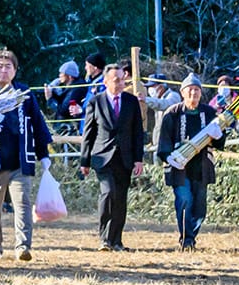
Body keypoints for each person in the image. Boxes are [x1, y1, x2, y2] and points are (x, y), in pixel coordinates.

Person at [0, 49, 54, 261]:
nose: (3, 70)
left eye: (8, 66)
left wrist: (43, 153)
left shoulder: (24, 93)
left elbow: (37, 123)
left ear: (15, 70)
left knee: (23, 203)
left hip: (20, 159)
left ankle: (23, 246)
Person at [79, 63, 147, 251]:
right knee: (108, 192)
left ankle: (116, 240)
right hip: (102, 157)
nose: (120, 83)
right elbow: (89, 133)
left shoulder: (131, 101)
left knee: (121, 199)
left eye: (122, 80)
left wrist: (138, 159)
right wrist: (84, 161)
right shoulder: (96, 101)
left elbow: (137, 132)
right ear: (106, 81)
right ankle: (104, 238)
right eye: (116, 80)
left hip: (125, 158)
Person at [157, 74, 219, 250]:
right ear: (182, 93)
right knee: (184, 200)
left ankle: (192, 234)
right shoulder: (173, 113)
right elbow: (164, 141)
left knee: (200, 206)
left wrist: (218, 134)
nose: (193, 93)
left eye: (197, 90)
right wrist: (169, 157)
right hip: (180, 166)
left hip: (201, 166)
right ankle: (187, 239)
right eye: (190, 90)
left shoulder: (209, 113)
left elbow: (219, 142)